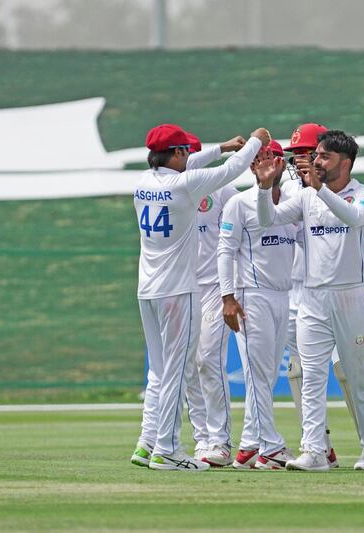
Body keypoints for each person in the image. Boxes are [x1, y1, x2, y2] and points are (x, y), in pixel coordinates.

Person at [131, 123, 266, 470]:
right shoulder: (185, 186)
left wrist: (220, 146)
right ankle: (169, 450)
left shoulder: (142, 183)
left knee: (159, 372)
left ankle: (147, 442)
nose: (190, 158)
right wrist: (255, 141)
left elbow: (195, 164)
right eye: (186, 152)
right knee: (177, 371)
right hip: (179, 290)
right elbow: (231, 171)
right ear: (176, 154)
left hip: (147, 291)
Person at [254, 130, 364, 471]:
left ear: (344, 163)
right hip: (313, 298)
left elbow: (355, 218)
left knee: (358, 376)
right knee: (312, 374)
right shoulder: (305, 197)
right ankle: (314, 450)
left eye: (324, 157)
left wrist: (320, 190)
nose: (316, 161)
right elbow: (266, 219)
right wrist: (262, 189)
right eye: (316, 155)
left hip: (351, 295)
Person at [218, 139, 299, 470]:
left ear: (282, 163)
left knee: (264, 375)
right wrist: (228, 297)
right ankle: (272, 447)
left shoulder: (295, 201)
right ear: (251, 166)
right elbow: (225, 251)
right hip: (252, 296)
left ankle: (250, 446)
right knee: (257, 374)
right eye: (260, 159)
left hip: (284, 295)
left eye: (273, 158)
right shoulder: (238, 203)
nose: (267, 164)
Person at [183, 132, 246, 467]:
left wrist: (230, 293)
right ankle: (201, 439)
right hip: (181, 289)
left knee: (208, 359)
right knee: (190, 365)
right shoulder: (169, 190)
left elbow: (237, 236)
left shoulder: (222, 191)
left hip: (215, 289)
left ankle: (220, 441)